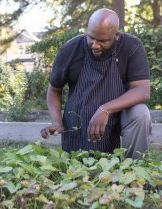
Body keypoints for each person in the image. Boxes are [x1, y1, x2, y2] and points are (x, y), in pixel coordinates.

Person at [40, 8, 152, 159]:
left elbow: (142, 90)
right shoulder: (70, 50)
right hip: (80, 114)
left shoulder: (131, 47)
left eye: (103, 41)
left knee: (141, 114)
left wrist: (105, 109)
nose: (95, 45)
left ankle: (133, 171)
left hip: (119, 114)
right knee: (85, 167)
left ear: (116, 36)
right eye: (91, 37)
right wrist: (57, 121)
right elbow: (54, 90)